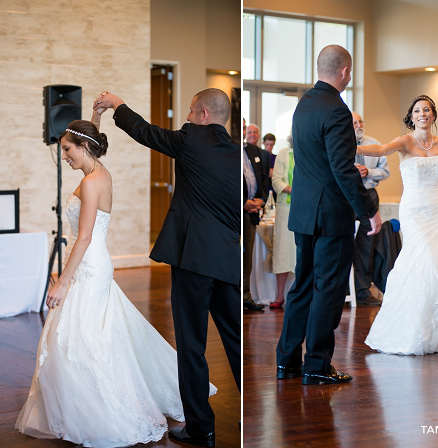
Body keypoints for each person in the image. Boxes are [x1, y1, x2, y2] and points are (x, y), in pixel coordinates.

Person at [15, 116, 214, 446]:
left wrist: (63, 280)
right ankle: (81, 405)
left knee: (84, 339)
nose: (64, 156)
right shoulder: (99, 173)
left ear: (84, 147)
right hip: (90, 263)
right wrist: (92, 121)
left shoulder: (92, 182)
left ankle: (102, 409)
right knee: (86, 336)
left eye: (67, 149)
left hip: (90, 265)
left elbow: (84, 237)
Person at [95, 87, 240, 446]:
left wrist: (117, 104)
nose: (187, 118)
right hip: (227, 260)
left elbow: (146, 132)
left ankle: (200, 428)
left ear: (204, 114)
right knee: (236, 340)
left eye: (191, 112)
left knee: (192, 345)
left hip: (193, 259)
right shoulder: (237, 153)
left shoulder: (192, 138)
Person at [276, 45, 381, 386]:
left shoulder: (303, 105)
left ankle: (287, 360)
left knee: (302, 286)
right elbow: (342, 169)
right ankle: (317, 364)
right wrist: (369, 210)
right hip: (330, 216)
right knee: (329, 290)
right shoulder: (337, 110)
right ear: (346, 72)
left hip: (304, 213)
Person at [360, 94, 438, 356]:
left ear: (433, 115)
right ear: (411, 116)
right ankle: (413, 330)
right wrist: (356, 148)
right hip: (414, 210)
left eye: (427, 110)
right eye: (418, 110)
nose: (423, 114)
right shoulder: (405, 141)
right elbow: (382, 149)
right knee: (422, 261)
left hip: (437, 209)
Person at [350, 111, 390, 306]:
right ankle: (342, 289)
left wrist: (369, 172)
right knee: (344, 243)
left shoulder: (373, 143)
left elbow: (385, 172)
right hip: (347, 197)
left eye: (360, 122)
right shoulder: (341, 143)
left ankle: (362, 290)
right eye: (354, 122)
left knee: (367, 245)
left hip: (369, 194)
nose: (358, 125)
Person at [242, 117, 266, 311]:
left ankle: (246, 297)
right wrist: (243, 203)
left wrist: (261, 199)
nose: (244, 132)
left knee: (247, 256)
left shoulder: (254, 151)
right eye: (242, 128)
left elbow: (263, 178)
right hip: (234, 212)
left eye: (245, 128)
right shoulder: (228, 150)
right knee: (234, 256)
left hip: (252, 212)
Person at [270, 137, 295, 308]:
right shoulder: (284, 153)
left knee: (302, 253)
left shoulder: (312, 151)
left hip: (308, 209)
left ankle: (300, 296)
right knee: (283, 252)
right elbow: (276, 181)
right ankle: (280, 296)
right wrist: (295, 190)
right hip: (285, 210)